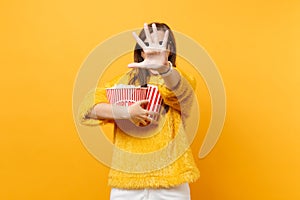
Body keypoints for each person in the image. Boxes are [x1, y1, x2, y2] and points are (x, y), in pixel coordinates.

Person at [79, 22, 200, 200]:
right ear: (141, 51)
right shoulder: (123, 82)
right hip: (127, 185)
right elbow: (88, 109)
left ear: (170, 51)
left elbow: (178, 89)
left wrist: (164, 69)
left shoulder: (179, 79)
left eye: (162, 44)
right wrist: (126, 112)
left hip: (172, 184)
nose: (155, 49)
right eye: (149, 44)